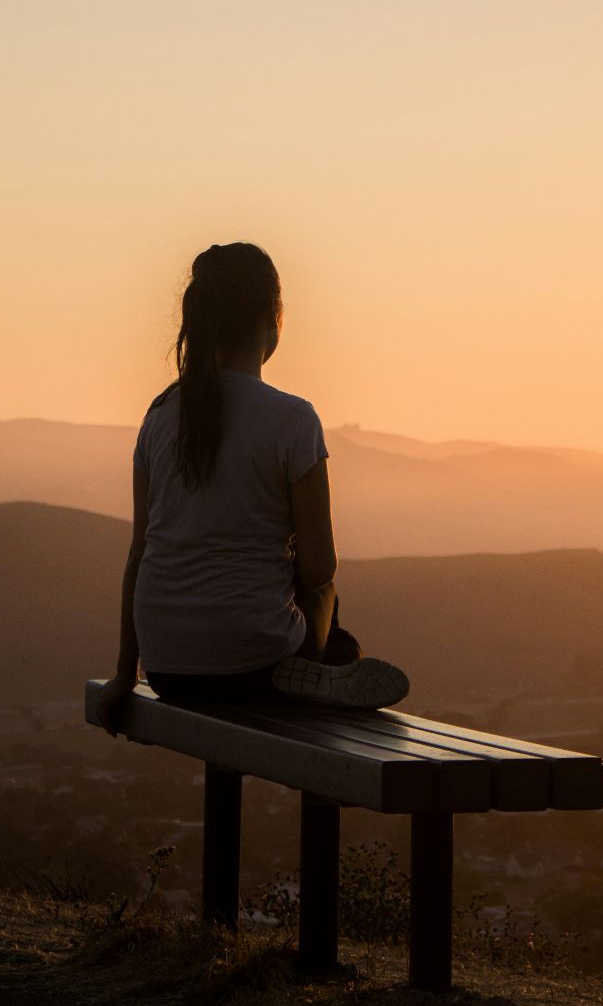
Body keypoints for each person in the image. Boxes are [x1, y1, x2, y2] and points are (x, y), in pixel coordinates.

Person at [94, 242, 407, 733]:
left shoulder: (158, 416)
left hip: (168, 669)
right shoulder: (293, 419)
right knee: (327, 597)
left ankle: (321, 666)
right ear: (273, 319)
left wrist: (122, 675)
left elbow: (140, 555)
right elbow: (320, 567)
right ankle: (327, 666)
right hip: (255, 666)